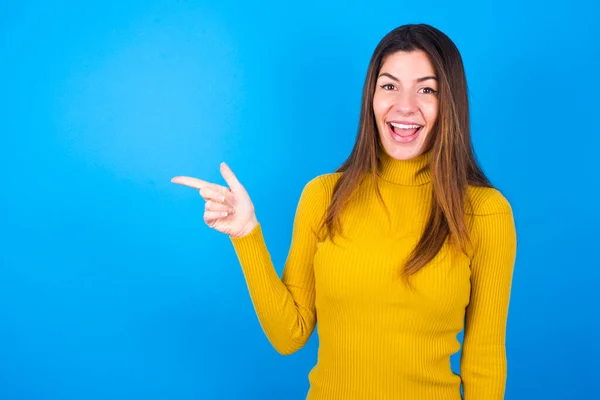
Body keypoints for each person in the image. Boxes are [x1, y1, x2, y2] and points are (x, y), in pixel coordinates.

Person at [172, 23, 517, 400]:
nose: (404, 106)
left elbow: (483, 358)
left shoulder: (484, 212)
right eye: (389, 86)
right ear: (371, 96)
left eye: (426, 89)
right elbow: (290, 335)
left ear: (449, 101)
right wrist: (246, 234)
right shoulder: (324, 195)